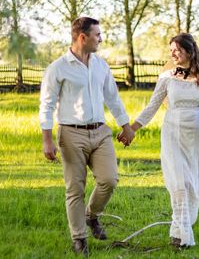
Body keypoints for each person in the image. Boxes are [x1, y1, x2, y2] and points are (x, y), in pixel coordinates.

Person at [39, 16, 135, 256]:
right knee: (75, 189)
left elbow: (113, 97)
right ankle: (79, 238)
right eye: (97, 35)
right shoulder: (58, 68)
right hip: (72, 134)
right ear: (82, 37)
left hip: (101, 132)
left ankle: (91, 216)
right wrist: (47, 139)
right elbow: (47, 105)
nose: (101, 39)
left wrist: (126, 126)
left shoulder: (101, 65)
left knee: (109, 180)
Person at [120, 33, 199, 248]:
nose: (172, 53)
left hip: (197, 138)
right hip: (173, 135)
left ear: (190, 52)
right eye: (171, 49)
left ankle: (177, 229)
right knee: (178, 184)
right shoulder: (166, 78)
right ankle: (184, 237)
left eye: (177, 50)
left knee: (193, 186)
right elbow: (152, 105)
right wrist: (132, 128)